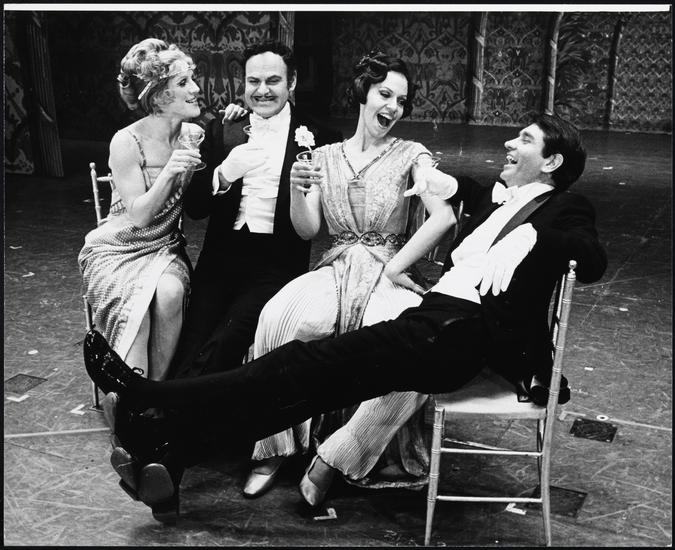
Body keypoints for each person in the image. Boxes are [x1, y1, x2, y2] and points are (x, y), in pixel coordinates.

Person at [83, 113, 608, 524]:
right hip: (434, 321)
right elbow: (454, 190)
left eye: (524, 140)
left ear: (552, 162)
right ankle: (169, 455)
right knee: (301, 384)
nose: (510, 144)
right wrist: (443, 185)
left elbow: (592, 259)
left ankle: (148, 398)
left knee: (302, 366)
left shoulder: (565, 208)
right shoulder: (500, 196)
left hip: (459, 335)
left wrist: (536, 234)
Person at [243, 52, 456, 500]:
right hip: (337, 267)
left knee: (415, 346)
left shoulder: (411, 154)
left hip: (388, 271)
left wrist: (395, 265)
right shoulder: (324, 156)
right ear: (363, 93)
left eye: (401, 100)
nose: (393, 107)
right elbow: (308, 229)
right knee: (278, 317)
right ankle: (274, 447)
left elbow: (444, 217)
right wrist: (298, 190)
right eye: (385, 94)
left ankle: (338, 454)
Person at [167, 40, 342, 380]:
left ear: (291, 82)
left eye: (273, 81)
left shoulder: (321, 137)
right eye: (253, 81)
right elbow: (196, 209)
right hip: (221, 257)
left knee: (227, 340)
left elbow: (316, 222)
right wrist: (222, 175)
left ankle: (166, 403)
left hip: (277, 262)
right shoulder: (223, 128)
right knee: (193, 337)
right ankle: (171, 403)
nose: (262, 91)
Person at [78, 38, 203, 391]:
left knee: (170, 292)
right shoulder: (126, 142)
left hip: (163, 248)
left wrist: (237, 114)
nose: (196, 89)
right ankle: (130, 396)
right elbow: (138, 217)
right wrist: (169, 171)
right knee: (137, 305)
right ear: (159, 97)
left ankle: (154, 394)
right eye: (184, 82)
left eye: (192, 79)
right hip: (118, 249)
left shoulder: (194, 135)